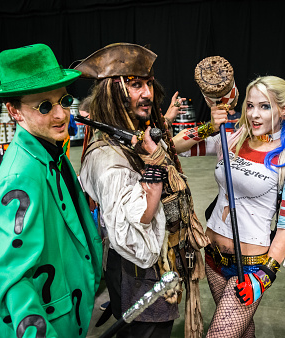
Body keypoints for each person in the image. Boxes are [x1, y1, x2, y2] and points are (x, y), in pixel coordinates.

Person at [74, 43, 209, 338]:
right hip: (141, 274)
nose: (147, 93)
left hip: (155, 268)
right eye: (135, 85)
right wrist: (155, 183)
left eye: (148, 84)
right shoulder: (108, 157)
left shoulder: (133, 138)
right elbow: (138, 235)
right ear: (114, 91)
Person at [174, 75, 285, 337]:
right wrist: (209, 127)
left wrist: (264, 277)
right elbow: (177, 148)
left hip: (248, 268)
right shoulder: (233, 139)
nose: (254, 115)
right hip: (213, 257)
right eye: (250, 106)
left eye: (265, 106)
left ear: (283, 110)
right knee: (243, 331)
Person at [0, 44, 102, 337]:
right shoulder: (19, 177)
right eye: (44, 106)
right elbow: (14, 280)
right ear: (15, 111)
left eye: (63, 99)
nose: (61, 114)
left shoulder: (50, 153)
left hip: (72, 311)